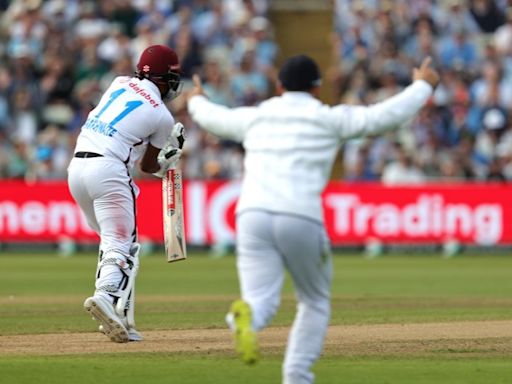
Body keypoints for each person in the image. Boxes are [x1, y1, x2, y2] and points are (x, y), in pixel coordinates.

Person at [186, 54, 439, 383]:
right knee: (315, 301)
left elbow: (214, 119)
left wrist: (196, 100)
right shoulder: (328, 118)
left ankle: (243, 320)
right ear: (318, 89)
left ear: (279, 87)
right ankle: (296, 376)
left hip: (252, 215)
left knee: (258, 300)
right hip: (300, 215)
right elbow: (384, 117)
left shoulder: (258, 116)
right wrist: (422, 86)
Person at [67, 45, 184, 343]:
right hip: (108, 171)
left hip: (77, 168)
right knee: (122, 245)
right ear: (163, 78)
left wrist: (162, 154)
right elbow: (148, 166)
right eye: (172, 77)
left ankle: (121, 320)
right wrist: (169, 157)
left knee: (113, 245)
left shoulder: (119, 82)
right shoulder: (162, 116)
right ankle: (105, 297)